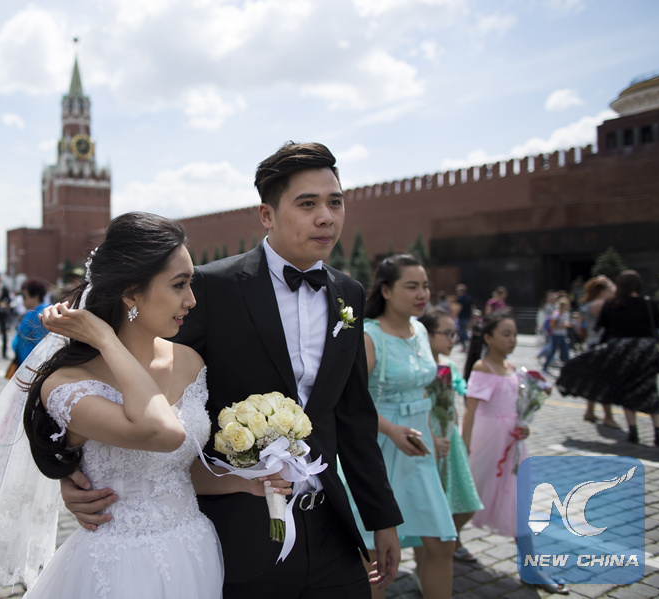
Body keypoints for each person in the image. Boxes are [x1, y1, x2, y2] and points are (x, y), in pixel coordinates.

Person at [51, 142, 403, 598]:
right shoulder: (209, 289)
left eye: (335, 202)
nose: (326, 217)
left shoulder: (348, 294)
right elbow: (134, 380)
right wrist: (70, 472)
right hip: (238, 530)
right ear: (267, 215)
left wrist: (381, 517)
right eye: (307, 204)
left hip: (331, 524)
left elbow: (354, 413)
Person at [0, 212, 235, 597]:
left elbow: (180, 468)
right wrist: (106, 340)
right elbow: (164, 434)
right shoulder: (67, 385)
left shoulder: (190, 362)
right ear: (131, 293)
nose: (191, 300)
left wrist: (253, 483)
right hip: (119, 567)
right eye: (179, 285)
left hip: (193, 551)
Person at [345, 254, 455, 599]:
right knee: (375, 553)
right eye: (411, 286)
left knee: (441, 543)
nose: (422, 294)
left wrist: (431, 433)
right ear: (386, 291)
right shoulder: (369, 336)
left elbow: (423, 389)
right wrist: (391, 429)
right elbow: (352, 403)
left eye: (425, 286)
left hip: (419, 450)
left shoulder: (420, 329)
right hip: (379, 447)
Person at [462, 314, 568, 595]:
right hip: (487, 444)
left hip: (513, 446)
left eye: (514, 334)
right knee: (471, 497)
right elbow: (471, 410)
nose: (512, 339)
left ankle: (530, 566)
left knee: (521, 502)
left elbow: (516, 408)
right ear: (488, 338)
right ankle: (447, 540)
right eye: (505, 334)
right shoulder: (482, 367)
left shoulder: (512, 368)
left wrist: (523, 426)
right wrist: (465, 446)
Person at [556, 270, 659, 447]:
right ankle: (658, 432)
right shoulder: (648, 303)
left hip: (622, 352)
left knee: (628, 389)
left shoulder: (613, 305)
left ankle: (633, 430)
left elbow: (603, 327)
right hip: (646, 352)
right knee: (651, 389)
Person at [419, 308, 483, 563]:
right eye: (446, 333)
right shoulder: (419, 366)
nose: (452, 339)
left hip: (449, 436)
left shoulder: (450, 365)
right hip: (427, 435)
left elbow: (452, 406)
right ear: (428, 334)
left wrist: (458, 434)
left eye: (454, 334)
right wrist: (431, 436)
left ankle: (450, 540)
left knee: (466, 500)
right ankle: (432, 553)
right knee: (430, 502)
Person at [578, 276, 619, 428]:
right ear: (602, 291)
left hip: (593, 344)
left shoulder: (591, 304)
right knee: (605, 381)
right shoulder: (599, 304)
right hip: (599, 345)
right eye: (609, 289)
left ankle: (589, 411)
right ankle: (608, 416)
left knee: (595, 380)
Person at [11, 278, 50, 367]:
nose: (23, 300)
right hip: (27, 365)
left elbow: (43, 346)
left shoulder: (40, 314)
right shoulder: (34, 312)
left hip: (33, 366)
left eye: (25, 296)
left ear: (36, 296)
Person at [542, 297, 572, 373]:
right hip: (556, 335)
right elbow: (553, 326)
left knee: (565, 351)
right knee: (552, 351)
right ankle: (545, 366)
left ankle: (569, 368)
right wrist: (563, 326)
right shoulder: (556, 314)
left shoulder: (565, 314)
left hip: (562, 335)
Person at [455, 284, 473, 350]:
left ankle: (466, 343)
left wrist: (455, 315)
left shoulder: (460, 299)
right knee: (464, 330)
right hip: (467, 317)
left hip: (462, 317)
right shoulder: (469, 298)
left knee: (461, 331)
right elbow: (472, 308)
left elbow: (459, 308)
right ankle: (467, 343)